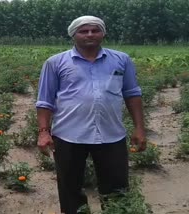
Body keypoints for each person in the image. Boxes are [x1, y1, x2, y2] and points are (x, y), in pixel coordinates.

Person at [35, 15, 146, 214]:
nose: (90, 35)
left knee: (117, 188)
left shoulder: (121, 60)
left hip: (111, 134)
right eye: (83, 31)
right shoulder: (55, 63)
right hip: (69, 135)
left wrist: (139, 128)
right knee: (70, 189)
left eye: (95, 30)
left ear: (103, 33)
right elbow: (45, 101)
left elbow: (132, 94)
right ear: (73, 35)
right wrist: (44, 131)